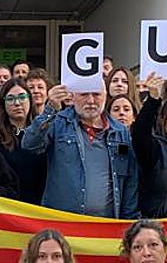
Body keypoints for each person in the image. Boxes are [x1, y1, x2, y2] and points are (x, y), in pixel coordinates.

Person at [22, 83, 139, 219]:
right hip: (62, 223)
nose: (90, 100)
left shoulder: (120, 131)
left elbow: (130, 180)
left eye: (96, 94)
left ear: (105, 96)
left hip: (106, 224)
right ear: (73, 96)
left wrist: (128, 220)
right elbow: (29, 144)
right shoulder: (58, 123)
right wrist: (50, 109)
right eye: (84, 94)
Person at [0, 78, 46, 205]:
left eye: (22, 97)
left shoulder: (43, 130)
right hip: (4, 206)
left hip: (38, 206)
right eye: (10, 99)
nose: (17, 103)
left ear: (30, 100)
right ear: (3, 103)